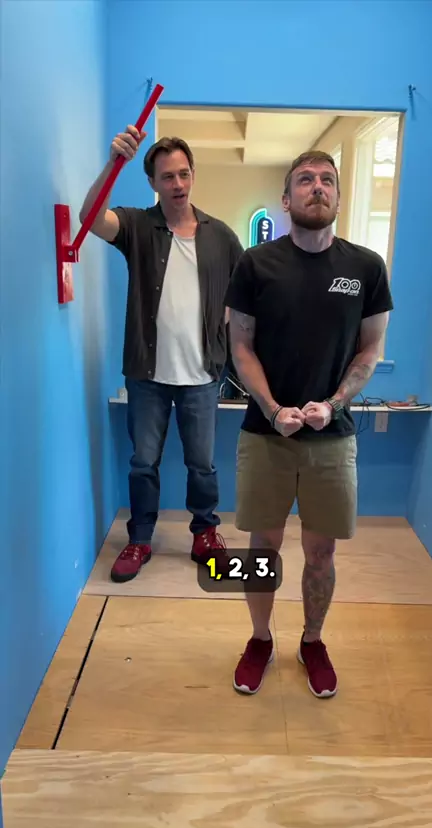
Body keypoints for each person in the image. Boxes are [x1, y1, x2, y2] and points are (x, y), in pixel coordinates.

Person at [225, 150, 393, 697]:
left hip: (332, 438)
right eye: (304, 179)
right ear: (286, 198)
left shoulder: (366, 267)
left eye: (326, 180)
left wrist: (334, 403)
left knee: (322, 551)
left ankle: (312, 641)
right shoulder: (255, 264)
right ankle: (259, 639)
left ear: (338, 197)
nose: (316, 187)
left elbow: (370, 350)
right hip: (264, 434)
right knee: (261, 547)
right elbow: (241, 347)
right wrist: (274, 409)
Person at [79, 127, 243, 583]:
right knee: (143, 463)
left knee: (202, 464)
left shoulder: (221, 236)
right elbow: (89, 217)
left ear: (193, 176)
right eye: (168, 176)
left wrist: (228, 330)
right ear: (153, 182)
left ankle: (205, 534)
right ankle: (139, 539)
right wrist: (114, 163)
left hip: (202, 376)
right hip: (147, 376)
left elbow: (245, 293)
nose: (178, 184)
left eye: (184, 174)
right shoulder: (137, 226)